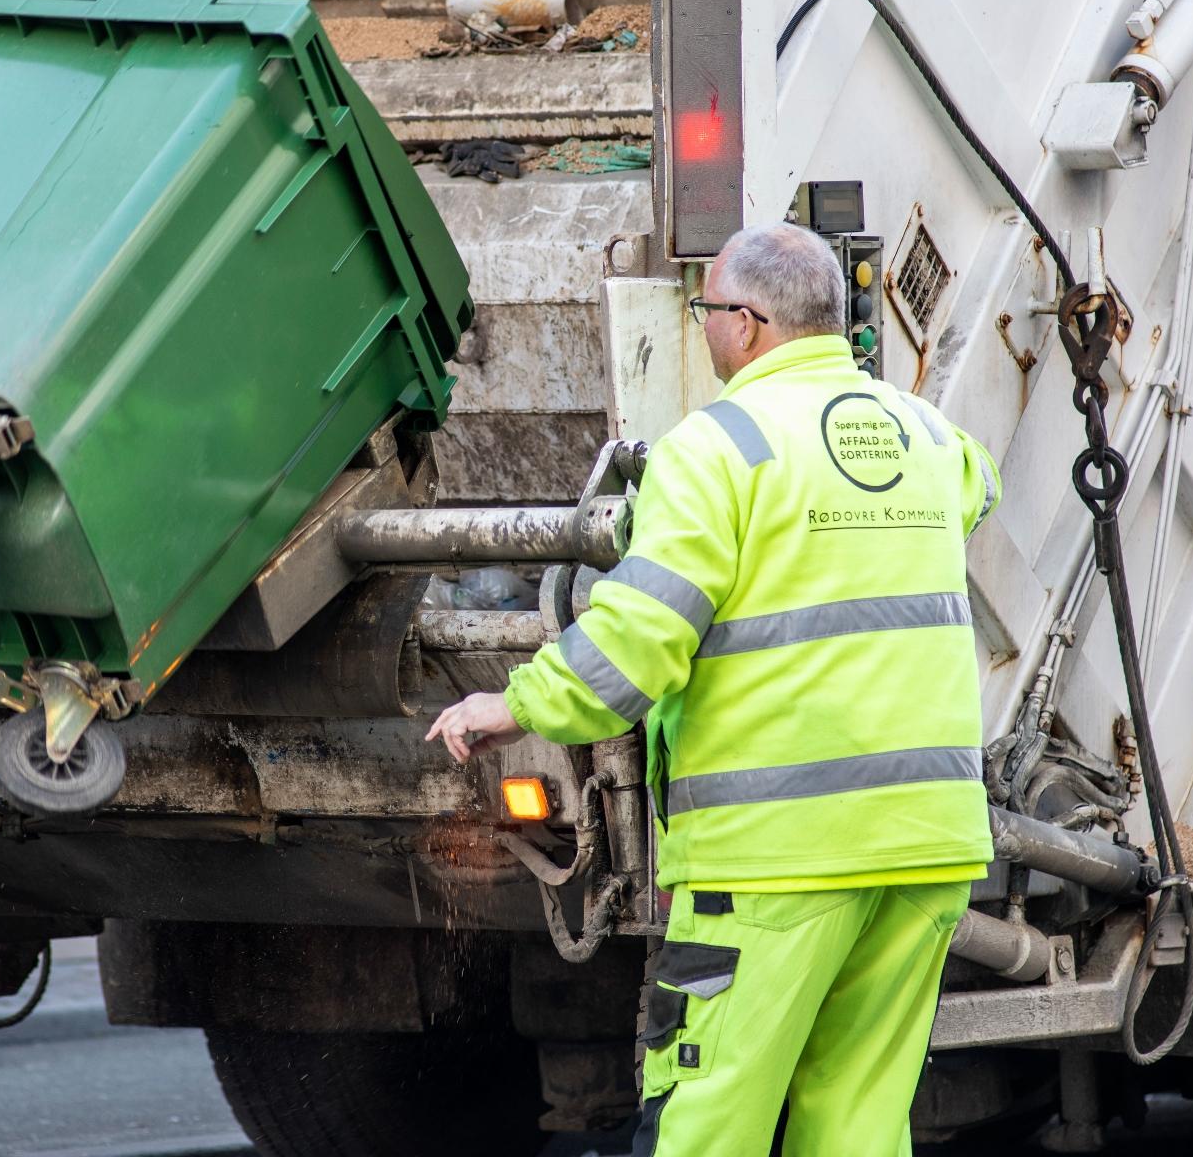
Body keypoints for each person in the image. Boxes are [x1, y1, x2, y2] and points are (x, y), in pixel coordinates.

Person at [426, 221, 1001, 1157]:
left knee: (708, 1120)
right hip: (926, 844)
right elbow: (981, 489)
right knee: (858, 1121)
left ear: (746, 323)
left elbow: (638, 641)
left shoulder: (716, 451)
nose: (702, 327)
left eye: (706, 311)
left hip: (776, 856)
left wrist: (520, 703)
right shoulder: (926, 435)